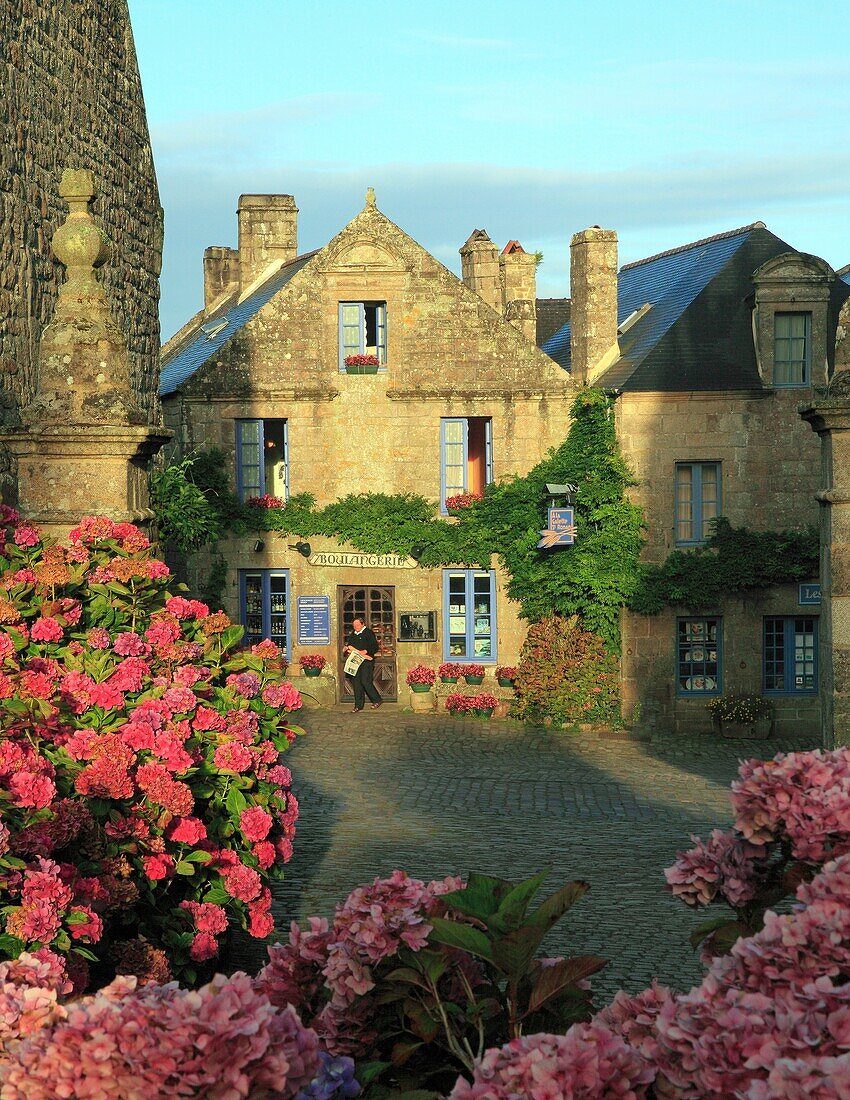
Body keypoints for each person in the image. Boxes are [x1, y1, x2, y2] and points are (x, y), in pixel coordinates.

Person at [343, 617, 382, 712]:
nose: (356, 627)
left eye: (357, 625)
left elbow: (375, 647)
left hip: (366, 662)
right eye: (354, 625)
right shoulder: (353, 634)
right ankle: (358, 705)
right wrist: (346, 649)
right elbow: (350, 645)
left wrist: (366, 651)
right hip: (356, 662)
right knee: (356, 683)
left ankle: (377, 700)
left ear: (362, 624)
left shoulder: (368, 633)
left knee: (366, 681)